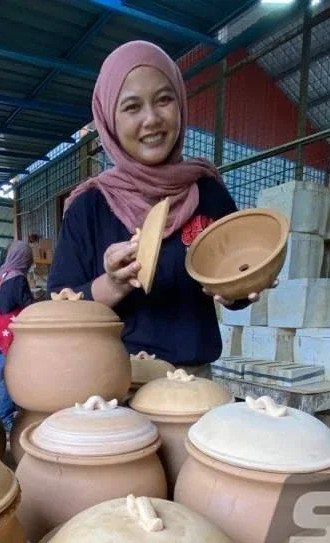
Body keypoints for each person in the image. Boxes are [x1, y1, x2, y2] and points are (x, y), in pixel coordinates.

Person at [48, 40, 265, 370]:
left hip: (194, 384)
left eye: (164, 100)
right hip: (111, 387)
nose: (151, 119)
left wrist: (241, 287)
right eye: (132, 107)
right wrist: (113, 284)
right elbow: (58, 308)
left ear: (180, 104)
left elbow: (234, 282)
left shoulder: (208, 192)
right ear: (109, 118)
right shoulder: (89, 207)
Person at [0, 241, 35, 431]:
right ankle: (6, 417)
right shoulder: (17, 279)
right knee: (10, 374)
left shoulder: (1, 275)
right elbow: (27, 305)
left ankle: (5, 413)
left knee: (2, 372)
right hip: (8, 334)